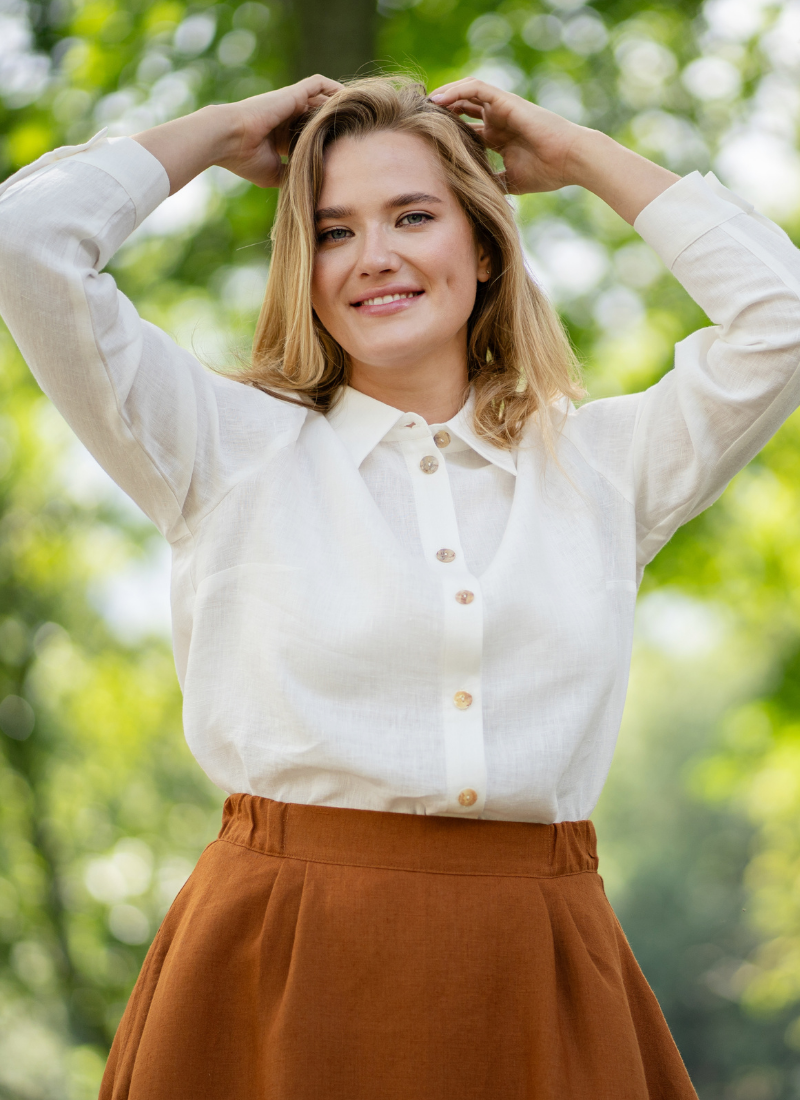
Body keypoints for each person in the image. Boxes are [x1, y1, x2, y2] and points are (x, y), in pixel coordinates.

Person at [0, 69, 799, 1100]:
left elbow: (777, 319)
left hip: (537, 962)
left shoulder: (602, 467)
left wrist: (581, 155)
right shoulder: (222, 448)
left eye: (411, 215)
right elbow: (26, 243)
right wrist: (222, 129)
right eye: (331, 231)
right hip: (278, 961)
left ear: (481, 241)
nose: (371, 256)